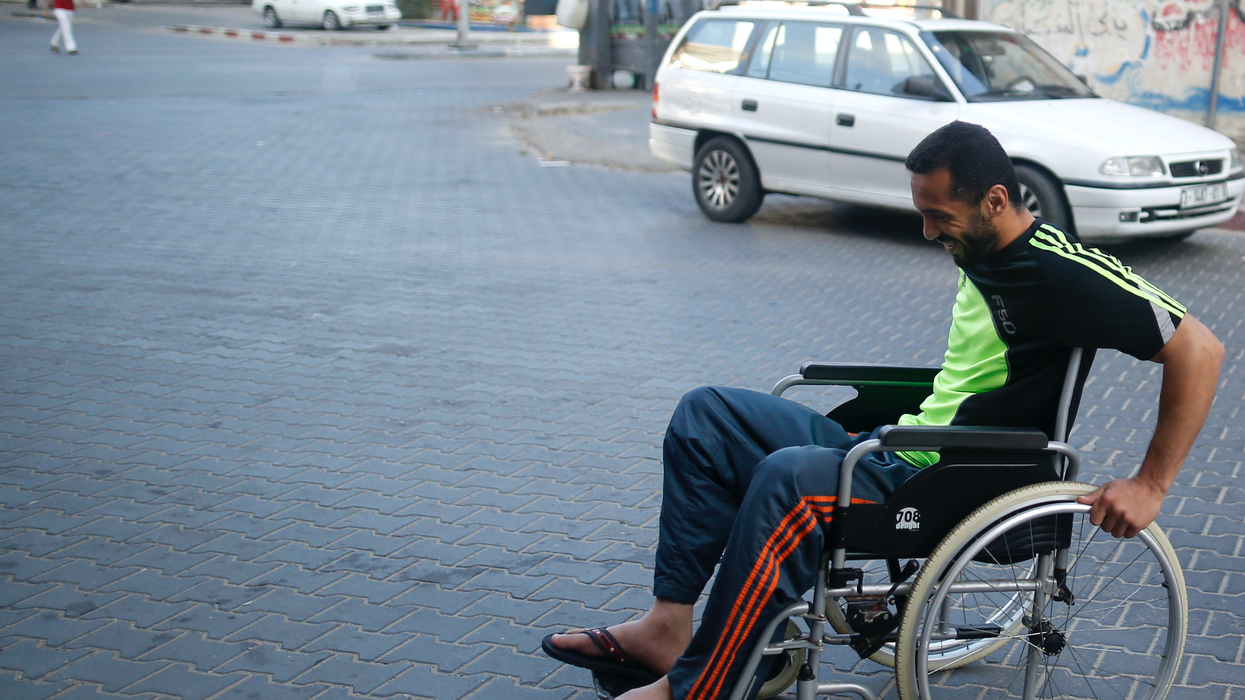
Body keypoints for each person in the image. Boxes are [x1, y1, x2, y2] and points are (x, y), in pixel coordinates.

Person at [542, 121, 1224, 700]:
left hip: (957, 480)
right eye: (921, 212)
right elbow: (969, 375)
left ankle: (696, 689)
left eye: (939, 217)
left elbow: (1199, 349)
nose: (927, 231)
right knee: (707, 416)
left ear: (993, 201)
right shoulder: (982, 245)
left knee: (789, 483)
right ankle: (668, 627)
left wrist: (1150, 483)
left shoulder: (1060, 268)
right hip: (905, 446)